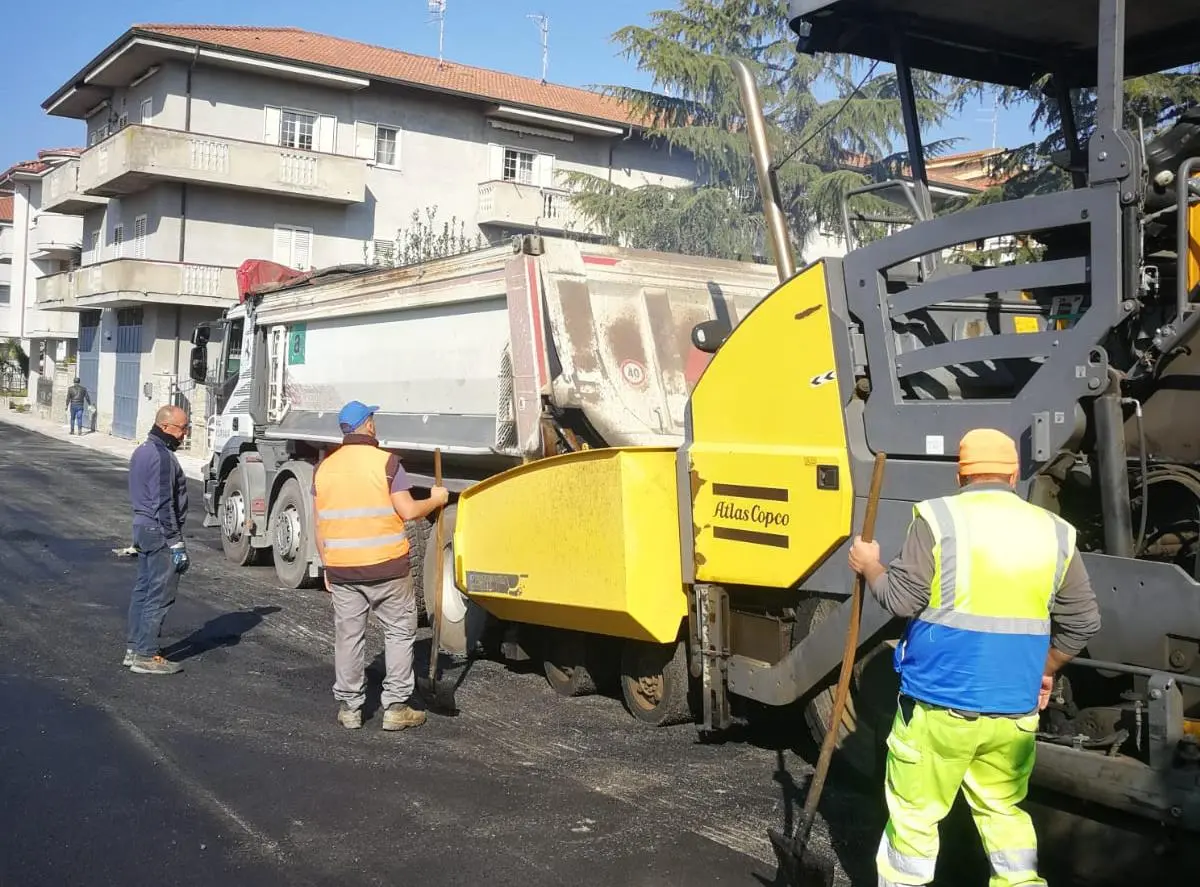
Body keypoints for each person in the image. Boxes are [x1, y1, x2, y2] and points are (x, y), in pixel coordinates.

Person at [847, 428, 1102, 887]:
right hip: (1015, 712)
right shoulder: (1056, 533)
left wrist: (870, 565)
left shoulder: (939, 517)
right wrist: (1044, 670)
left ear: (961, 474)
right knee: (1004, 813)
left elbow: (902, 600)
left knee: (915, 819)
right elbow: (1083, 621)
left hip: (938, 707)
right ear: (1015, 474)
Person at [313, 400, 449, 731]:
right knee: (400, 633)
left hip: (343, 571)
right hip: (386, 569)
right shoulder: (386, 463)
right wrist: (437, 498)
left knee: (348, 637)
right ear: (369, 425)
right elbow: (408, 511)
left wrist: (328, 567)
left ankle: (350, 708)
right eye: (373, 419)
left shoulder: (325, 468)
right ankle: (396, 708)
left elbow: (320, 525)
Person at [124, 404, 192, 675]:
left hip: (142, 528)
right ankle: (146, 654)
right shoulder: (162, 457)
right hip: (159, 532)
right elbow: (163, 503)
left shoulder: (142, 451)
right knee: (160, 593)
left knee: (143, 589)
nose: (184, 435)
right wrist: (175, 542)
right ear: (165, 427)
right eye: (181, 429)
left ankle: (135, 647)